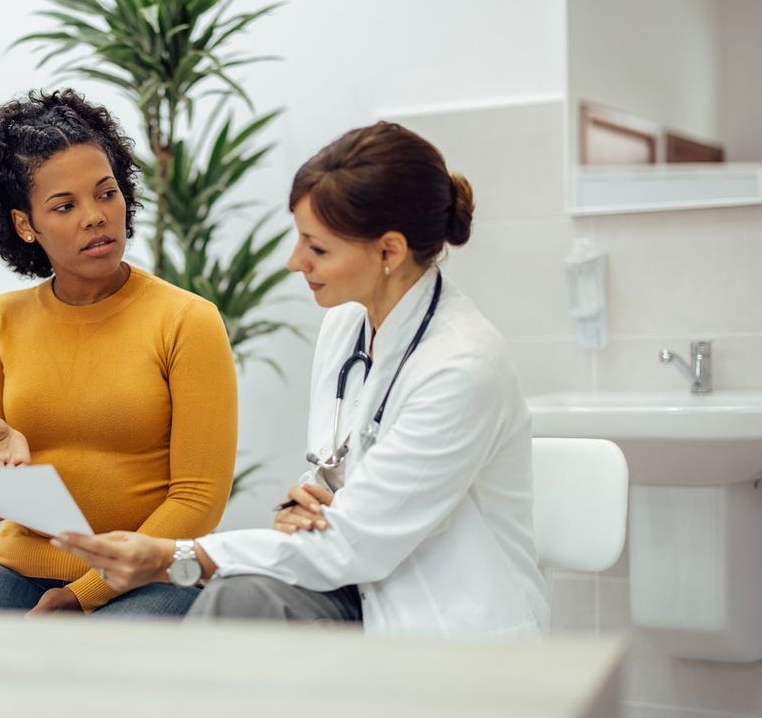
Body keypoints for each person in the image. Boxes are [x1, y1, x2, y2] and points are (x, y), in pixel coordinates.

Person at [53, 121, 550, 639]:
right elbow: (328, 482)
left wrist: (172, 556)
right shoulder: (346, 325)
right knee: (239, 600)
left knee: (235, 605)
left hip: (447, 623)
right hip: (360, 591)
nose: (295, 262)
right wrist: (304, 502)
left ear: (389, 252)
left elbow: (352, 541)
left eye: (317, 247)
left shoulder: (462, 368)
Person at [0, 90, 238, 618]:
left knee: (90, 682)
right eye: (65, 205)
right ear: (26, 225)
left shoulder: (187, 320)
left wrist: (83, 594)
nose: (96, 217)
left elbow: (198, 501)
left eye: (106, 193)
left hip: (151, 573)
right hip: (19, 566)